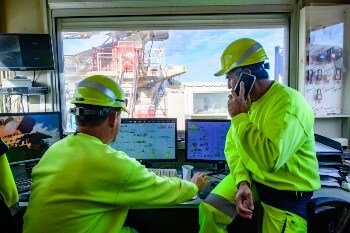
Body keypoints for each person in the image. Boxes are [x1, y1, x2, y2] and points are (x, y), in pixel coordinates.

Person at [23, 75, 209, 233]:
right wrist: (192, 186)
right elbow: (165, 191)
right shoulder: (111, 163)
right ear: (113, 118)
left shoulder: (56, 149)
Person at [199, 38, 321, 232]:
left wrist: (239, 117)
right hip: (254, 180)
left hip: (284, 193)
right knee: (211, 209)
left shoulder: (287, 104)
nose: (229, 85)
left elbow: (270, 160)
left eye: (230, 78)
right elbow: (233, 145)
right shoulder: (250, 102)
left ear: (246, 75)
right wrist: (242, 182)